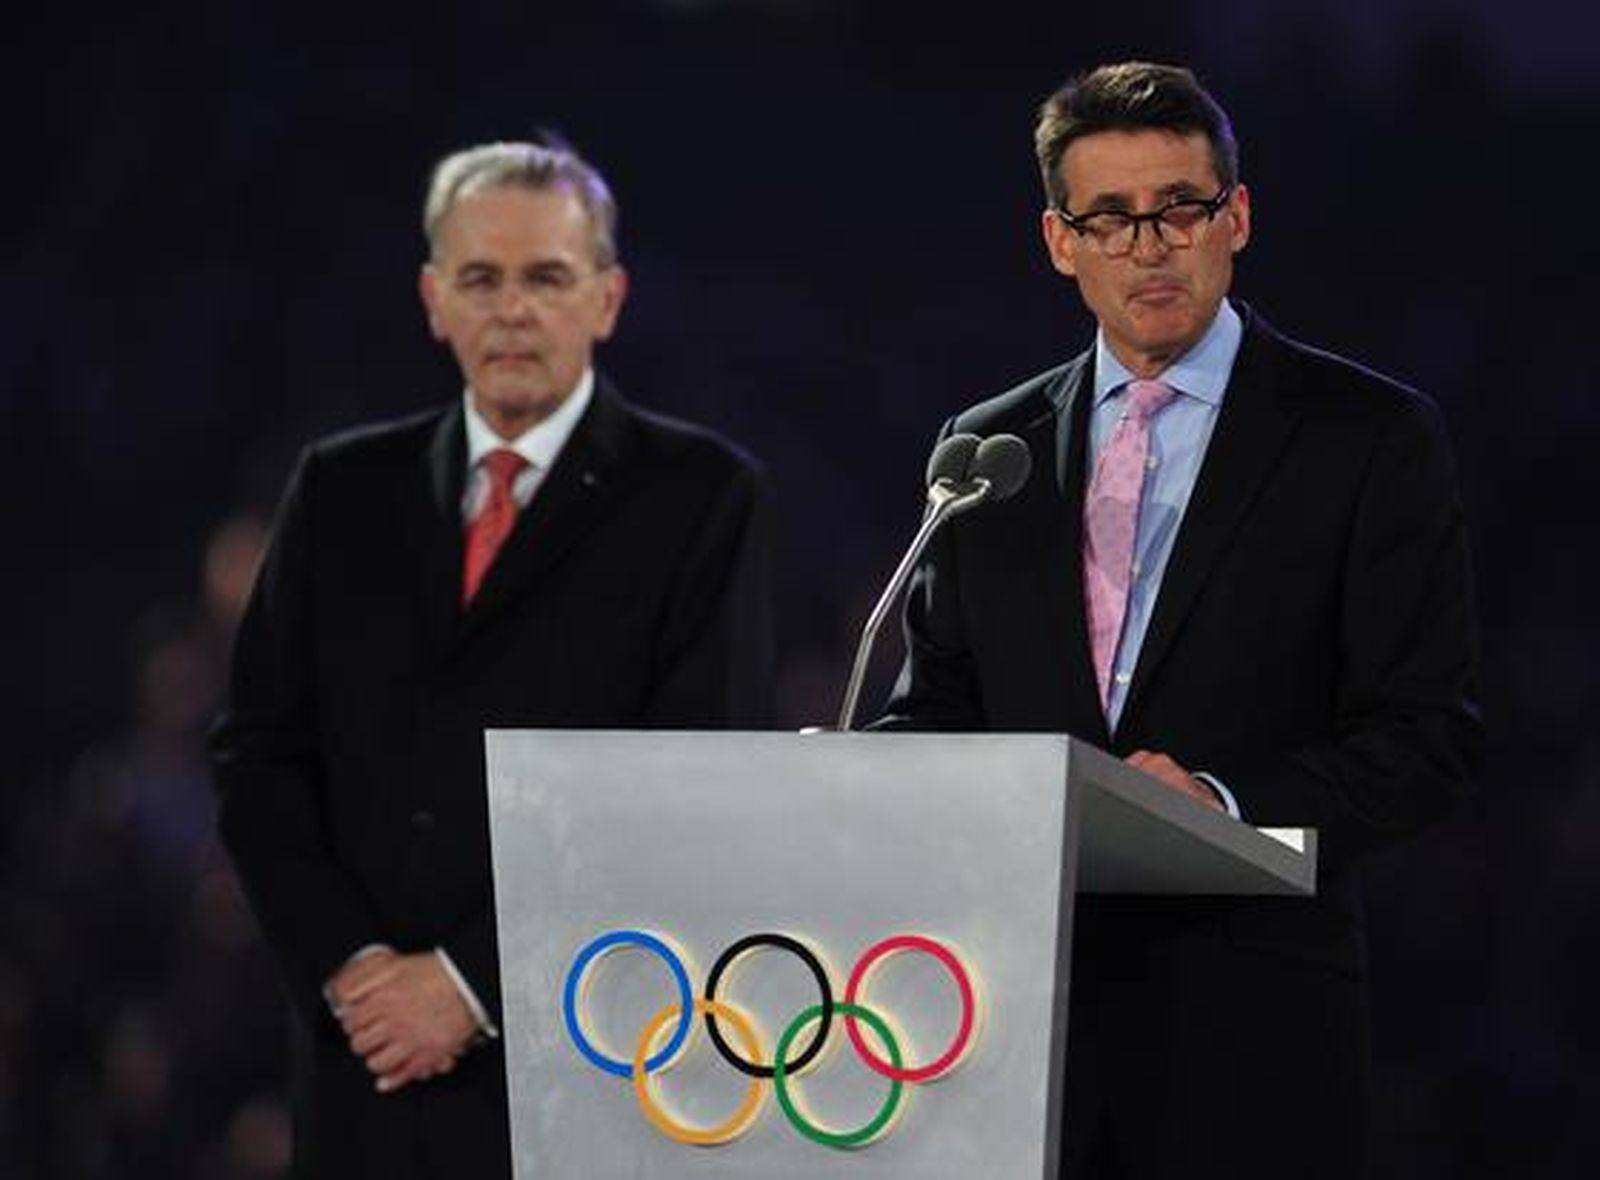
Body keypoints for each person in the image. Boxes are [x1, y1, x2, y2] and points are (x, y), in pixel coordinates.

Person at [879, 62, 1483, 1177]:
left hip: (1248, 1036)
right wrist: (864, 782)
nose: (1147, 246)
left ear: (1235, 218)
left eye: (1179, 209)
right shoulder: (984, 450)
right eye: (1108, 218)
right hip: (1010, 1034)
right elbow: (939, 711)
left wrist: (1219, 806)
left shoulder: (1365, 437)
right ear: (1059, 241)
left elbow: (1426, 738)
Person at [209, 139, 772, 1178]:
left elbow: (696, 788)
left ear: (607, 296)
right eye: (481, 278)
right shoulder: (340, 491)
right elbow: (257, 759)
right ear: (434, 299)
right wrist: (354, 972)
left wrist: (470, 985)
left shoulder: (699, 497)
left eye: (546, 277)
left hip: (584, 1069)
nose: (512, 309)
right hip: (364, 1074)